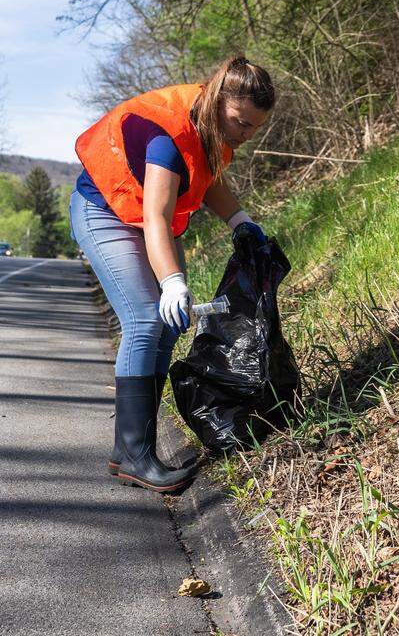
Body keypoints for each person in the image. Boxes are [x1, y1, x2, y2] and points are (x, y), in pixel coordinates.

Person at [70, 55, 275, 493]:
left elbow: (208, 177)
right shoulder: (170, 135)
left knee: (166, 326)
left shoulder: (213, 127)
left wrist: (240, 220)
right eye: (241, 122)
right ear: (219, 101)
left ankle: (136, 449)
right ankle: (133, 455)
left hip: (142, 215)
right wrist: (172, 282)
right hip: (103, 211)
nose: (245, 134)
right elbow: (157, 217)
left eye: (255, 127)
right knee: (146, 319)